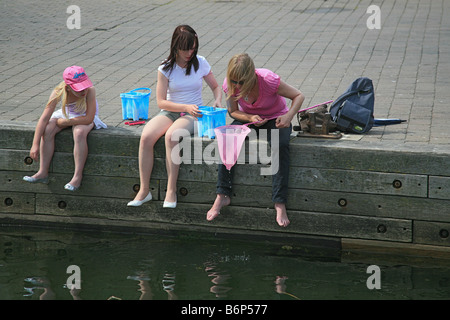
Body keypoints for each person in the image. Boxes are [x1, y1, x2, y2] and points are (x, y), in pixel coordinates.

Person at [127, 25, 222, 208]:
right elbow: (161, 102)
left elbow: (216, 87)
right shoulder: (165, 67)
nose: (190, 52)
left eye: (193, 48)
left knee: (172, 136)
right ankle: (144, 190)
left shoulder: (201, 62)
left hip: (194, 114)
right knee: (146, 136)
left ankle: (171, 190)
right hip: (171, 111)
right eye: (186, 49)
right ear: (175, 46)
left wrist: (217, 100)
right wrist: (183, 106)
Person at [207, 53, 305, 227]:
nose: (237, 86)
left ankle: (279, 202)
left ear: (251, 76)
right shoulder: (229, 84)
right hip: (250, 119)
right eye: (234, 81)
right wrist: (250, 117)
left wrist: (289, 116)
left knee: (280, 145)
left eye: (241, 82)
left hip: (276, 119)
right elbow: (233, 112)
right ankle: (222, 195)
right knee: (228, 140)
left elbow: (298, 96)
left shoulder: (268, 80)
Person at [23, 66, 107, 191]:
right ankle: (42, 172)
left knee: (79, 133)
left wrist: (65, 122)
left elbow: (89, 118)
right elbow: (44, 118)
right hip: (67, 113)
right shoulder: (58, 92)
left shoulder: (90, 91)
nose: (83, 91)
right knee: (47, 129)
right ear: (68, 87)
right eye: (79, 89)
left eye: (84, 86)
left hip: (84, 115)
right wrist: (35, 144)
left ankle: (77, 177)